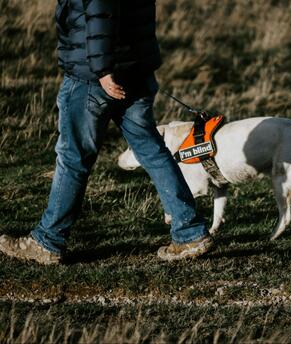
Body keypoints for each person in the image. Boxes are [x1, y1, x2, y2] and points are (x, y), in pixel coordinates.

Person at [0, 0, 213, 264]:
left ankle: (47, 240)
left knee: (73, 159)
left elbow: (101, 10)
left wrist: (103, 70)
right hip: (135, 72)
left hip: (95, 78)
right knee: (153, 151)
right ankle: (190, 232)